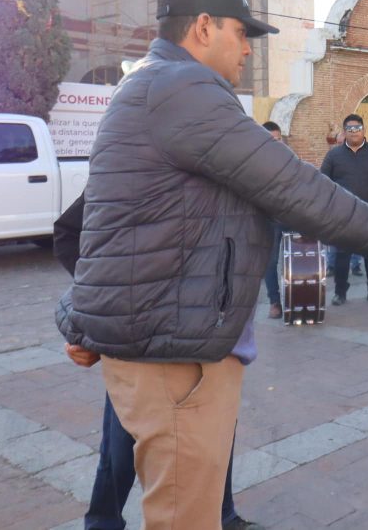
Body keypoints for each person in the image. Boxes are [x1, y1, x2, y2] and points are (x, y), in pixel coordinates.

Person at [55, 0, 368, 529]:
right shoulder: (181, 90)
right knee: (184, 518)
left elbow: (114, 229)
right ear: (205, 27)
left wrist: (88, 323)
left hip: (166, 338)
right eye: (242, 34)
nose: (248, 50)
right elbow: (296, 188)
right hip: (174, 353)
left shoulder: (149, 86)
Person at [54, 196, 262, 530]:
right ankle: (102, 522)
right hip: (146, 342)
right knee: (120, 448)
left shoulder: (247, 167)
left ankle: (224, 514)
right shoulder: (153, 162)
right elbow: (71, 232)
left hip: (220, 346)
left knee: (214, 443)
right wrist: (103, 311)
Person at [320, 113, 368, 306]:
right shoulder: (334, 155)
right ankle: (340, 292)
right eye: (350, 129)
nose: (354, 132)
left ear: (364, 130)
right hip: (343, 215)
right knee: (342, 256)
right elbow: (323, 183)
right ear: (344, 132)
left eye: (358, 128)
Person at [261, 121, 285, 320]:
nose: (276, 143)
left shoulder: (289, 158)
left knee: (309, 245)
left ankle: (304, 297)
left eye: (278, 139)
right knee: (270, 262)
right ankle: (274, 302)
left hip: (290, 215)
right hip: (269, 219)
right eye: (271, 140)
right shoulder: (253, 163)